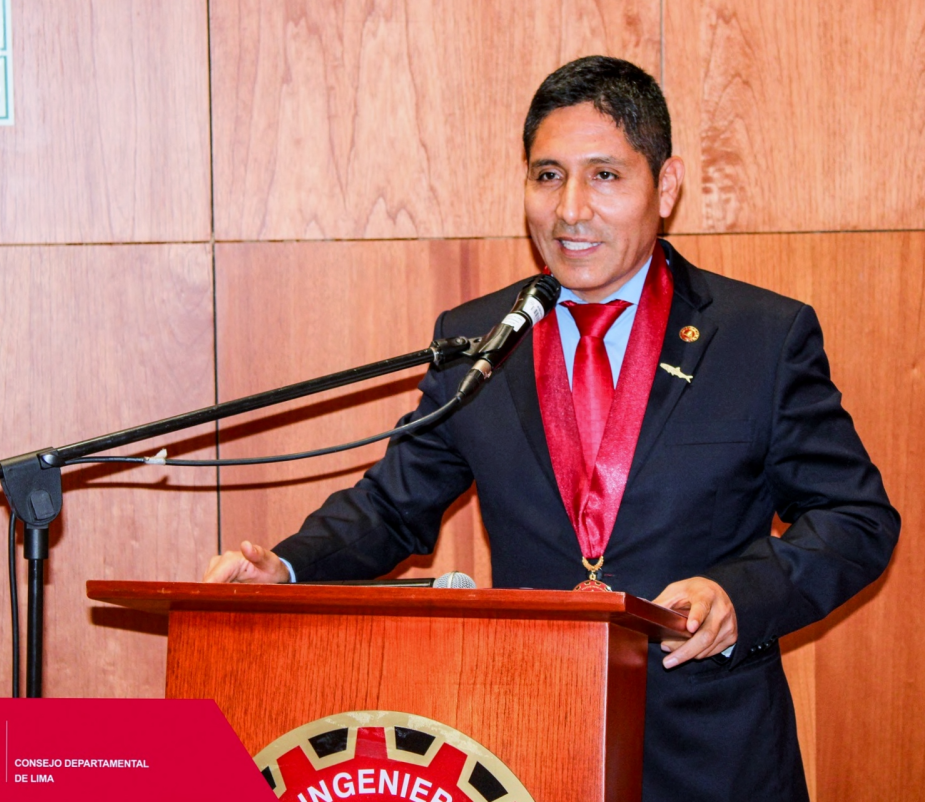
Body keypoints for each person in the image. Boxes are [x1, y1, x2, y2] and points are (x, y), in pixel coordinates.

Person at [204, 56, 898, 801]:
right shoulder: (480, 339)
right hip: (523, 748)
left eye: (605, 176)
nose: (570, 210)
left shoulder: (760, 336)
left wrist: (741, 595)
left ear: (664, 187)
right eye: (547, 176)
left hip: (712, 754)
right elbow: (390, 505)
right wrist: (287, 568)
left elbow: (855, 518)